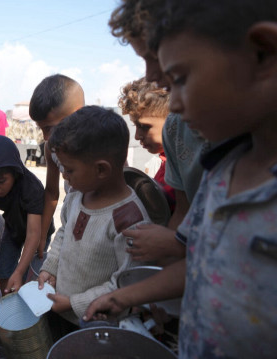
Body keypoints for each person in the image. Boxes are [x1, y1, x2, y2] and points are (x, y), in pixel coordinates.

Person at [85, 1, 277, 357]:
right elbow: (200, 262)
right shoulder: (222, 172)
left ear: (263, 54)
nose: (171, 104)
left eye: (181, 78)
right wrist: (122, 296)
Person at [107, 0, 211, 264]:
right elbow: (182, 216)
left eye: (156, 57)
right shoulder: (176, 131)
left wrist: (176, 246)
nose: (152, 74)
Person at [37, 105, 151, 333]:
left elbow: (126, 283)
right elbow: (64, 232)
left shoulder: (129, 221)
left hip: (96, 324)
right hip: (59, 306)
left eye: (69, 170)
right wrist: (51, 267)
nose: (63, 175)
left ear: (101, 170)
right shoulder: (77, 194)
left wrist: (73, 304)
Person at [0, 135, 55, 294]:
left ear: (15, 172)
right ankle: (4, 299)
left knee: (26, 276)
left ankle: (21, 307)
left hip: (39, 233)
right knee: (3, 273)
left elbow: (33, 234)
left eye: (1, 181)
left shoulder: (31, 187)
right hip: (13, 229)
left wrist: (19, 272)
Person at [28, 74, 85, 258]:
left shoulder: (102, 146)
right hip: (72, 220)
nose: (46, 137)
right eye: (42, 129)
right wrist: (42, 235)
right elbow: (52, 193)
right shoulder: (51, 149)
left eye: (51, 128)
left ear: (77, 114)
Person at [118, 77, 175, 213]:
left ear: (173, 118)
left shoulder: (182, 166)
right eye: (136, 126)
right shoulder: (166, 162)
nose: (137, 136)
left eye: (144, 126)